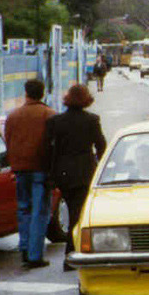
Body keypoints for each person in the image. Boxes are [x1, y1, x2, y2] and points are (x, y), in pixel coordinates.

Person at [46, 83, 107, 271]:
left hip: (63, 173)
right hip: (84, 172)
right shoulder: (92, 120)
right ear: (86, 99)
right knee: (77, 215)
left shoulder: (56, 121)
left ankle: (72, 254)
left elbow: (50, 150)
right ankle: (71, 256)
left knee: (73, 211)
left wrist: (53, 175)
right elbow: (101, 146)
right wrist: (96, 163)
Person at [4, 78, 54, 269]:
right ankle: (35, 255)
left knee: (23, 209)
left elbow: (8, 142)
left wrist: (14, 164)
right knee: (39, 212)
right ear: (42, 93)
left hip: (20, 169)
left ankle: (24, 248)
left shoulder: (13, 116)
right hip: (40, 169)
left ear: (26, 93)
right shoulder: (49, 114)